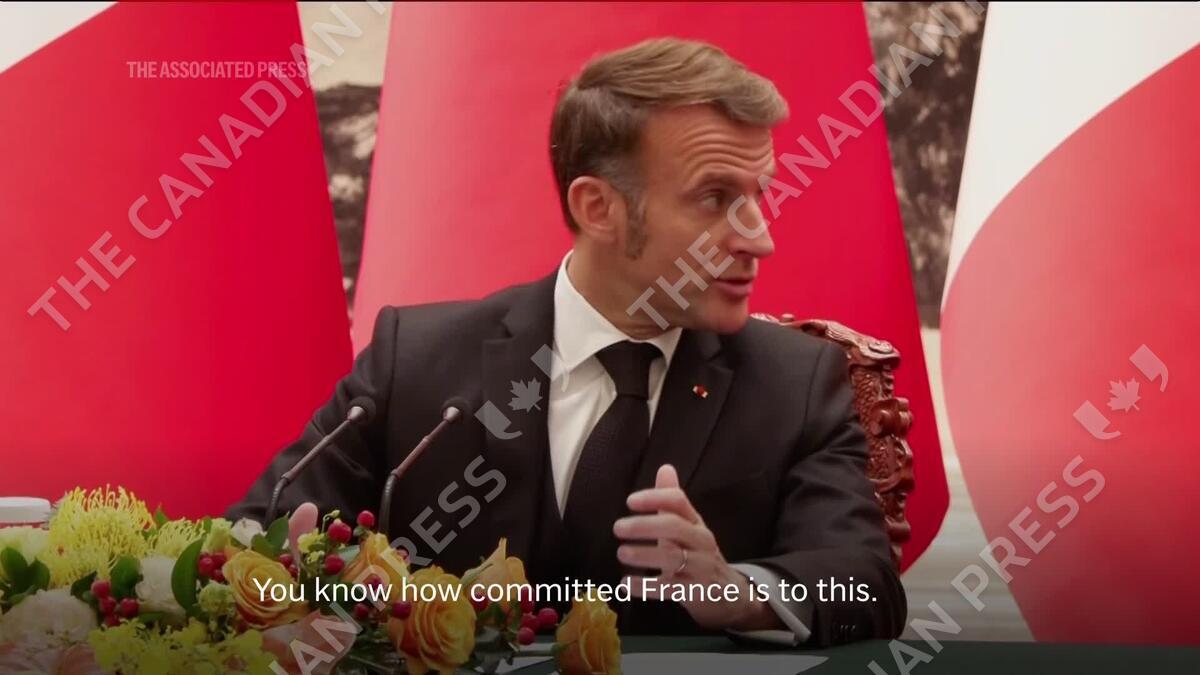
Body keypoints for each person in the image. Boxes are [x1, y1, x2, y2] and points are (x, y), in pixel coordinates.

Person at [229, 37, 905, 646]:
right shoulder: (417, 360)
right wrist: (284, 579)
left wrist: (735, 591)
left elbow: (866, 588)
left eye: (759, 194)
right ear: (598, 208)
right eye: (715, 197)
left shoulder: (797, 383)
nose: (760, 238)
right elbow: (251, 535)